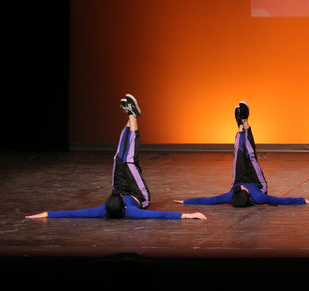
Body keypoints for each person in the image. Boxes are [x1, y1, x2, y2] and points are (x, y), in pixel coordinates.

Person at [26, 94, 207, 221]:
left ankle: (130, 117)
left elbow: (74, 213)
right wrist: (188, 215)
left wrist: (46, 214)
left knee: (118, 158)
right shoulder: (132, 212)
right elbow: (160, 215)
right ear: (123, 206)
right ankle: (133, 116)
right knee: (129, 160)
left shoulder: (104, 209)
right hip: (138, 193)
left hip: (121, 187)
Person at [177, 102, 309, 207]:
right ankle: (245, 121)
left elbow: (209, 201)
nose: (242, 187)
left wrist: (185, 201)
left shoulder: (231, 195)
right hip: (257, 182)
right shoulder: (259, 197)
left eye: (240, 189)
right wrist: (302, 200)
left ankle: (240, 127)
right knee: (250, 154)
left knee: (238, 153)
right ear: (248, 194)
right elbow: (280, 201)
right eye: (243, 189)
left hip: (239, 178)